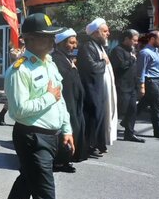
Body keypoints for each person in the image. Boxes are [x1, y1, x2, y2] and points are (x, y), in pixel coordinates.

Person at [0, 13, 73, 199]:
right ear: (28, 39)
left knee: (29, 178)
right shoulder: (19, 70)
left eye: (53, 35)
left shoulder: (49, 63)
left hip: (51, 136)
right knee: (46, 196)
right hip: (32, 137)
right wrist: (49, 96)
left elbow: (60, 101)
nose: (52, 40)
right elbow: (18, 111)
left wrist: (66, 128)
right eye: (45, 36)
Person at [52, 28, 87, 170]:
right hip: (65, 100)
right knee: (66, 130)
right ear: (61, 43)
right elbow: (63, 78)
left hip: (74, 100)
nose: (75, 46)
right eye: (71, 42)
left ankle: (71, 155)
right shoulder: (56, 58)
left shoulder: (66, 57)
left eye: (75, 42)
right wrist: (72, 69)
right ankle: (61, 160)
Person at [77, 18, 111, 157]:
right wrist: (104, 62)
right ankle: (89, 146)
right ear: (96, 33)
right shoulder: (87, 47)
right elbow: (91, 68)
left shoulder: (99, 46)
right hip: (91, 89)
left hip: (99, 89)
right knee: (93, 117)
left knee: (100, 117)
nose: (108, 33)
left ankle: (98, 144)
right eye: (105, 31)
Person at [110, 29, 145, 143]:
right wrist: (131, 58)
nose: (136, 43)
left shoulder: (132, 51)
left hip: (132, 86)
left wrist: (138, 84)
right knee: (119, 111)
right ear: (126, 39)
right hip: (122, 87)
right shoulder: (117, 50)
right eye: (134, 40)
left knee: (132, 110)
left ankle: (129, 133)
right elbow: (120, 66)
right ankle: (107, 131)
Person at [136, 31, 159, 141]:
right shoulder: (145, 53)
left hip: (156, 81)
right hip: (150, 81)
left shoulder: (156, 51)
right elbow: (141, 70)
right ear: (152, 39)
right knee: (156, 106)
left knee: (143, 104)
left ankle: (127, 121)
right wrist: (141, 86)